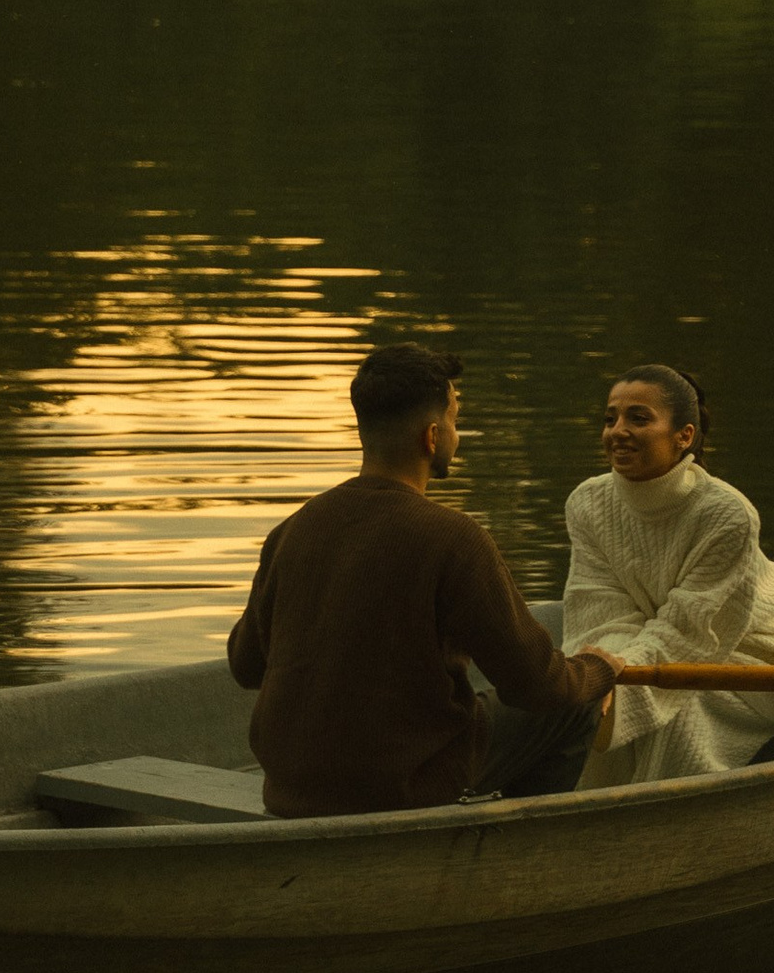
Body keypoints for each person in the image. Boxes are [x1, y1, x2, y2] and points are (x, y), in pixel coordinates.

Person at [227, 341, 621, 818]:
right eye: (456, 419)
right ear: (432, 436)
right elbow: (535, 684)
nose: (458, 433)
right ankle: (518, 855)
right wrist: (600, 670)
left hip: (290, 791)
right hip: (404, 789)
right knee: (574, 704)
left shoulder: (293, 529)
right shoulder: (454, 538)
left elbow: (245, 665)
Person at [560, 364, 774, 790]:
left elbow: (691, 632)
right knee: (585, 709)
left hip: (767, 657)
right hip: (655, 647)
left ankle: (663, 830)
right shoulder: (587, 503)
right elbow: (599, 612)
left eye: (638, 418)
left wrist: (617, 686)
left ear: (684, 436)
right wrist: (599, 678)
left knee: (679, 718)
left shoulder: (727, 513)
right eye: (610, 418)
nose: (617, 431)